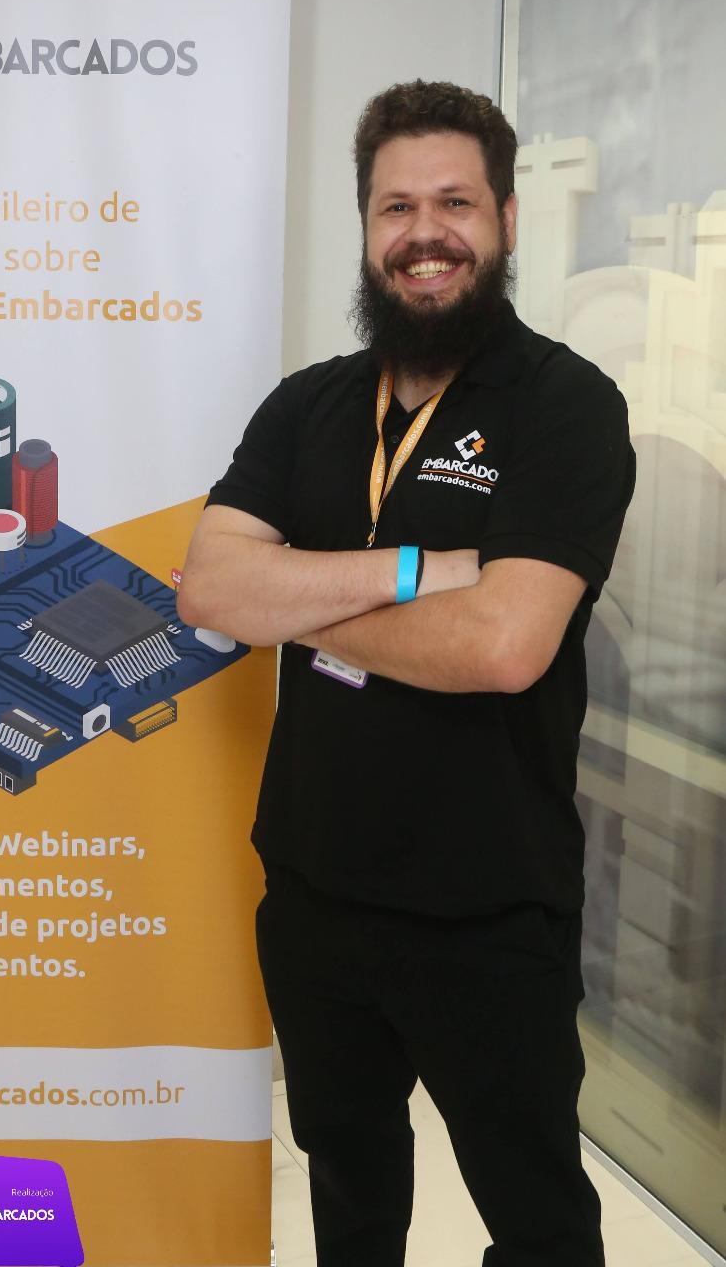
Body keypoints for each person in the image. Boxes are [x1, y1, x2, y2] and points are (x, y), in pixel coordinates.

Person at [177, 80, 636, 1267]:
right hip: (314, 889)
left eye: (453, 203)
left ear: (506, 220)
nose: (423, 233)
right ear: (367, 225)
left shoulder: (566, 408)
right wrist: (424, 571)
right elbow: (211, 590)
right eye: (396, 207)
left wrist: (302, 605)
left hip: (488, 905)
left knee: (538, 1222)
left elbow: (504, 645)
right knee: (349, 1194)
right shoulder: (308, 405)